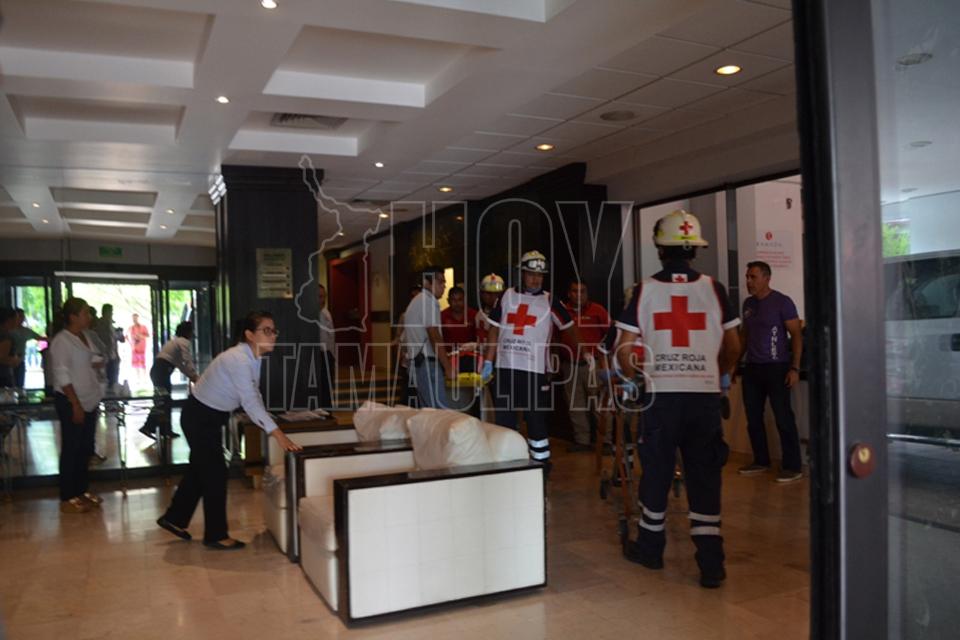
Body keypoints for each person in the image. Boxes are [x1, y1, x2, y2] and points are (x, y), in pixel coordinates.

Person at [615, 209, 740, 589]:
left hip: (661, 398)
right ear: (694, 249)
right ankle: (712, 564)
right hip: (704, 398)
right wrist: (720, 377)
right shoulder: (715, 289)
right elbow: (733, 345)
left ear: (660, 248)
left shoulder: (644, 290)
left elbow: (624, 349)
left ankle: (650, 550)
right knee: (704, 477)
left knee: (656, 473)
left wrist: (635, 379)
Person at [157, 311, 302, 549]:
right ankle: (216, 535)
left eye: (274, 330)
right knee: (215, 474)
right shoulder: (238, 359)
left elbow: (253, 395)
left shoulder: (253, 358)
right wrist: (279, 435)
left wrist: (268, 420)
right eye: (267, 330)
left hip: (208, 416)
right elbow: (250, 401)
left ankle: (174, 518)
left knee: (200, 470)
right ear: (249, 335)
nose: (273, 335)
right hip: (200, 416)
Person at [484, 251, 577, 471]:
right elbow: (494, 330)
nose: (536, 279)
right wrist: (488, 361)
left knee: (536, 421)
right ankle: (507, 467)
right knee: (504, 421)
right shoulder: (506, 296)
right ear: (522, 274)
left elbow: (570, 328)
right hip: (505, 368)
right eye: (531, 274)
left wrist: (587, 353)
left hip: (533, 371)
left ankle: (540, 467)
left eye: (540, 275)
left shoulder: (550, 300)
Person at [737, 261, 804, 483]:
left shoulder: (782, 302)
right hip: (752, 368)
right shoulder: (748, 304)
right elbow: (744, 336)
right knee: (753, 418)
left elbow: (796, 335)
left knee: (783, 417)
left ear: (767, 278)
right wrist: (734, 364)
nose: (749, 281)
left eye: (753, 277)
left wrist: (795, 367)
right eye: (747, 277)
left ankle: (793, 466)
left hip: (777, 367)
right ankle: (761, 460)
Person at [50, 298, 106, 514]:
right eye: (85, 313)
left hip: (90, 399)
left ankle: (82, 489)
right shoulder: (62, 341)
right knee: (72, 448)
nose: (89, 317)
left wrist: (97, 363)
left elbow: (87, 360)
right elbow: (62, 374)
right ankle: (68, 495)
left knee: (85, 448)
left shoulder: (85, 336)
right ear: (73, 317)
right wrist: (75, 404)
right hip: (72, 401)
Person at [561, 282, 611, 452]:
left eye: (582, 291)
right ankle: (582, 441)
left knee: (599, 404)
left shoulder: (598, 310)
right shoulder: (562, 311)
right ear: (569, 293)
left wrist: (606, 362)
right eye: (575, 291)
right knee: (575, 405)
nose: (579, 295)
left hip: (593, 364)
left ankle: (605, 441)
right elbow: (554, 336)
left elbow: (610, 335)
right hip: (569, 364)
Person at [402, 268, 453, 408]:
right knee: (439, 412)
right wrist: (448, 367)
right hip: (426, 363)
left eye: (444, 282)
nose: (444, 286)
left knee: (429, 411)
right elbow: (434, 335)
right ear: (427, 282)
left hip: (419, 363)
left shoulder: (418, 301)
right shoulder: (427, 301)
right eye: (440, 282)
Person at [139, 322, 200, 440]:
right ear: (188, 332)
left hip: (158, 371)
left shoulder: (174, 342)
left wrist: (193, 377)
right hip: (162, 372)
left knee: (164, 400)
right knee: (163, 401)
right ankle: (149, 426)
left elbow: (180, 364)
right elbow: (186, 361)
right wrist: (194, 376)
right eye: (192, 331)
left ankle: (164, 429)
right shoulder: (183, 342)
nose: (193, 334)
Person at [441, 285, 480, 415]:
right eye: (454, 300)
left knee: (472, 393)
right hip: (450, 360)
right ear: (448, 300)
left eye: (460, 300)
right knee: (452, 394)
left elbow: (479, 338)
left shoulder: (473, 315)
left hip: (470, 360)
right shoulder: (442, 316)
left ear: (465, 300)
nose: (457, 303)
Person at [10, 309, 42, 389]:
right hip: (7, 362)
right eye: (19, 316)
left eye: (23, 317)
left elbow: (40, 338)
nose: (22, 319)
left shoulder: (25, 331)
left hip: (20, 361)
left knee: (20, 385)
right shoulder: (8, 330)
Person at [317, 284, 336, 410]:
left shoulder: (325, 313)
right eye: (319, 297)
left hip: (327, 354)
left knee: (327, 387)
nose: (322, 300)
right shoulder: (310, 315)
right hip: (317, 354)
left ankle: (327, 412)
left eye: (324, 296)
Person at [94, 304, 121, 389]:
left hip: (113, 356)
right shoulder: (99, 324)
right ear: (105, 312)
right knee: (105, 379)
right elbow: (101, 340)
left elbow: (114, 341)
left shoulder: (111, 324)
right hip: (104, 356)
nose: (111, 313)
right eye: (110, 311)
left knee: (114, 378)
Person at [0, 308, 21, 389]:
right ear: (9, 320)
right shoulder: (5, 336)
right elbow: (2, 357)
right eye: (16, 318)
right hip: (4, 376)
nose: (18, 321)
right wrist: (14, 359)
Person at [127, 313, 150, 382]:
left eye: (135, 318)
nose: (134, 319)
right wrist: (130, 344)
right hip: (134, 348)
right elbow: (126, 337)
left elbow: (148, 336)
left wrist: (141, 336)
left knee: (143, 364)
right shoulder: (130, 328)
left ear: (138, 318)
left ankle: (145, 378)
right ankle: (138, 379)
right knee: (136, 365)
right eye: (133, 318)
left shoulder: (143, 327)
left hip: (142, 348)